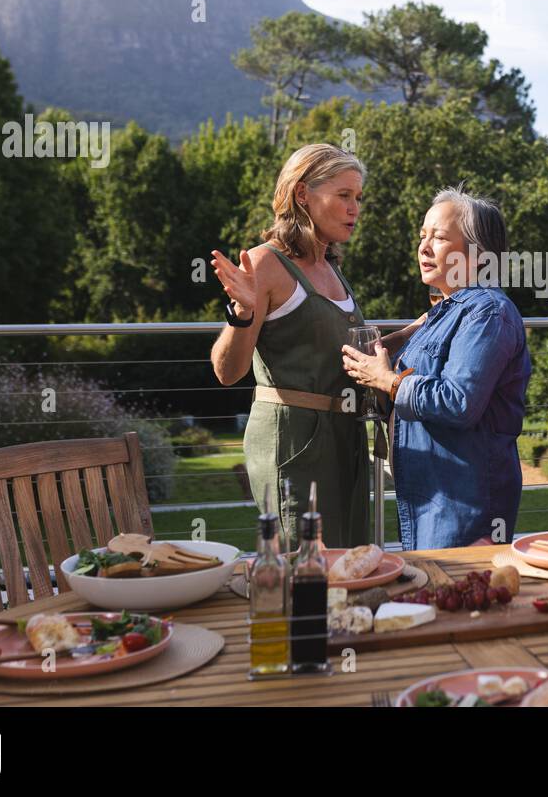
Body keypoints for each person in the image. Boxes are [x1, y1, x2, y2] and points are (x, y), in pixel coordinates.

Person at [209, 143, 420, 546]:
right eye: (343, 196)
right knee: (307, 567)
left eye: (358, 198)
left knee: (349, 563)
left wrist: (412, 332)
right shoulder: (266, 263)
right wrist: (242, 311)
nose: (354, 208)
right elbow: (227, 371)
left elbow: (343, 355)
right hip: (295, 440)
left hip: (345, 435)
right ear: (302, 194)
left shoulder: (332, 267)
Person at [341, 188, 531, 550]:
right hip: (432, 499)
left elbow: (459, 401)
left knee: (453, 601)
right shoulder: (445, 312)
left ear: (478, 256)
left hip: (463, 505)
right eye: (422, 236)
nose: (424, 248)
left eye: (439, 238)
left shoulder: (488, 312)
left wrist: (388, 380)